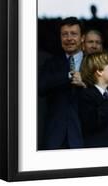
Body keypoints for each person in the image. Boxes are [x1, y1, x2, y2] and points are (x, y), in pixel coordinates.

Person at [38, 17, 85, 150]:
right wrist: (68, 76)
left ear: (82, 38)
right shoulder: (50, 63)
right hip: (55, 136)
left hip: (85, 134)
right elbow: (40, 87)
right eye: (64, 34)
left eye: (74, 34)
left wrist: (85, 83)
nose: (69, 38)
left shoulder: (93, 63)